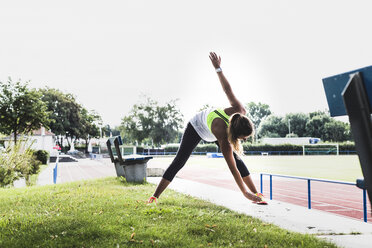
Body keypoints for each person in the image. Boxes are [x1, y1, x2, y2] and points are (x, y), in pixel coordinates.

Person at [148, 52, 266, 205]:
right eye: (243, 137)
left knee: (239, 159)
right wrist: (245, 193)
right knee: (180, 160)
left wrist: (218, 69)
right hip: (197, 127)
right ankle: (154, 196)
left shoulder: (240, 110)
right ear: (235, 134)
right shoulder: (223, 136)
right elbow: (232, 169)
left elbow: (227, 90)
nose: (244, 140)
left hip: (216, 126)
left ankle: (257, 192)